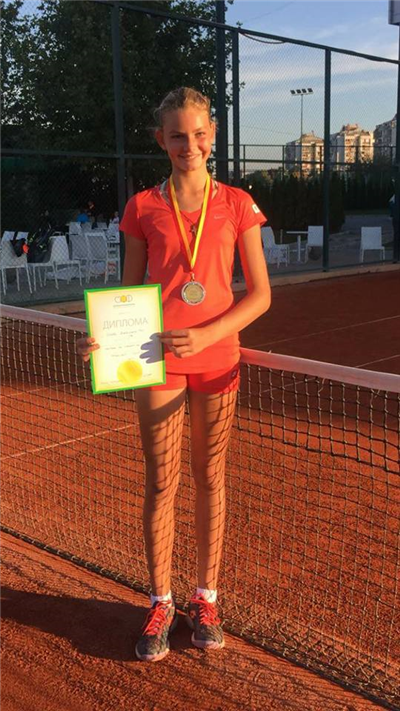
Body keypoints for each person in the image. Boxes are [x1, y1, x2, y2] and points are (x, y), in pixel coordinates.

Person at [77, 87, 271, 662]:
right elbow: (130, 293)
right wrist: (104, 336)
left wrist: (208, 335)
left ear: (213, 136)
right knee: (162, 481)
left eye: (199, 134)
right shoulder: (142, 206)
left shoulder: (238, 204)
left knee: (210, 476)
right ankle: (161, 600)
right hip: (155, 359)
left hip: (218, 359)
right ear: (161, 139)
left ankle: (206, 598)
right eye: (178, 135)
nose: (190, 144)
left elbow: (260, 295)